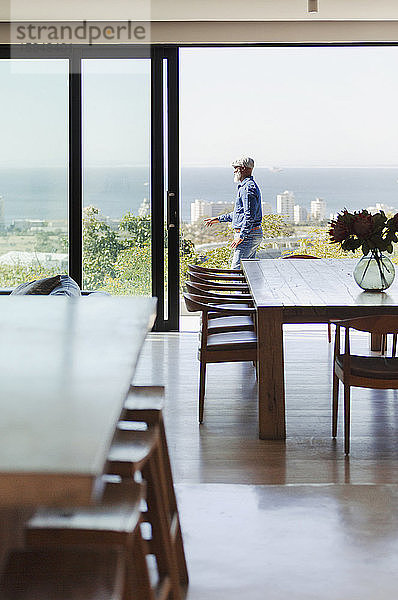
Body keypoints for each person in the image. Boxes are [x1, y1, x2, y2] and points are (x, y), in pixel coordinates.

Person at [204, 156, 263, 269]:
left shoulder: (247, 188)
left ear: (243, 168)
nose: (234, 171)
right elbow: (239, 214)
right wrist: (217, 219)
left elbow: (249, 216)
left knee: (235, 271)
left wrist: (241, 236)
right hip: (250, 234)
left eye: (236, 168)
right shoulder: (246, 187)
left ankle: (234, 287)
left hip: (248, 235)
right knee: (249, 271)